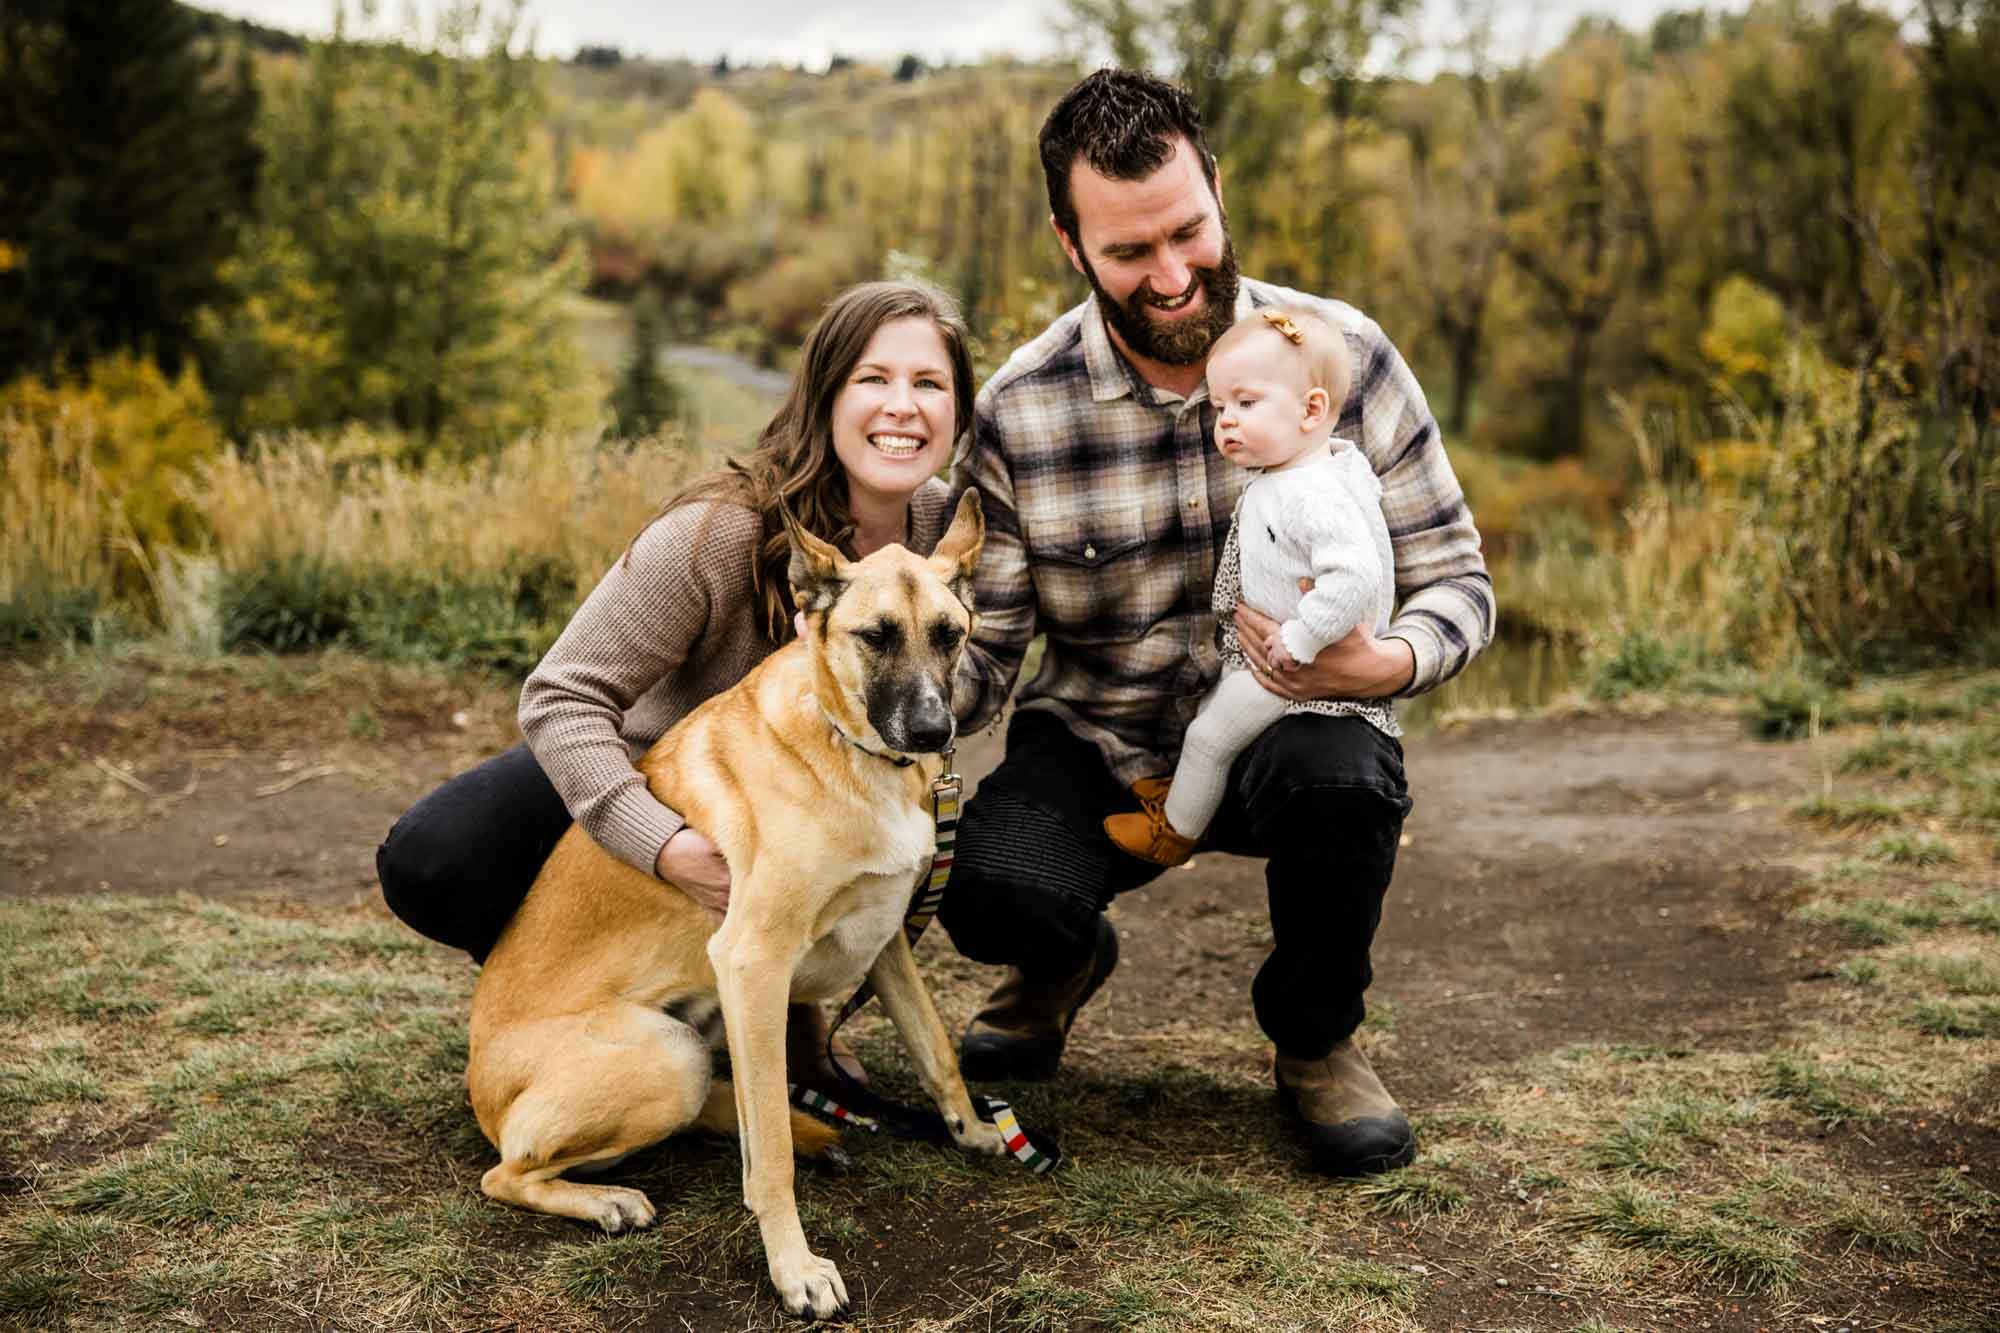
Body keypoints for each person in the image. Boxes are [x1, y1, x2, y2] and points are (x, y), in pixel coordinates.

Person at [937, 70, 1494, 1177]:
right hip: (1103, 742)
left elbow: (1457, 585)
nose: (1173, 273)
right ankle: (1056, 957)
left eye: (1188, 231)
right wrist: (857, 720)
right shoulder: (1019, 407)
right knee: (990, 891)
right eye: (1128, 252)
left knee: (1345, 775)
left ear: (1217, 191)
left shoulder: (1346, 358)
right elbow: (987, 647)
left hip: (1295, 729)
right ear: (1068, 242)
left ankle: (1312, 1040)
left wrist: (1384, 658)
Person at [376, 280, 976, 1093]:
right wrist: (663, 846)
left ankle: (778, 998)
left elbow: (961, 682)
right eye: (874, 379)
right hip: (641, 768)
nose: (901, 406)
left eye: (929, 384)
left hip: (808, 802)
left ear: (958, 411)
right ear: (825, 395)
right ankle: (591, 999)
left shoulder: (941, 534)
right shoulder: (721, 530)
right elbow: (560, 695)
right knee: (436, 858)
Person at [1102, 306, 1395, 867]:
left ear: (1312, 410)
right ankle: (1188, 794)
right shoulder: (1288, 474)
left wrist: (1303, 639)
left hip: (1297, 665)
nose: (1226, 421)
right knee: (1211, 718)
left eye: (1246, 403)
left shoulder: (1314, 495)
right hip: (1271, 654)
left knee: (1210, 737)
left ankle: (1175, 832)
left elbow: (1355, 578)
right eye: (1219, 407)